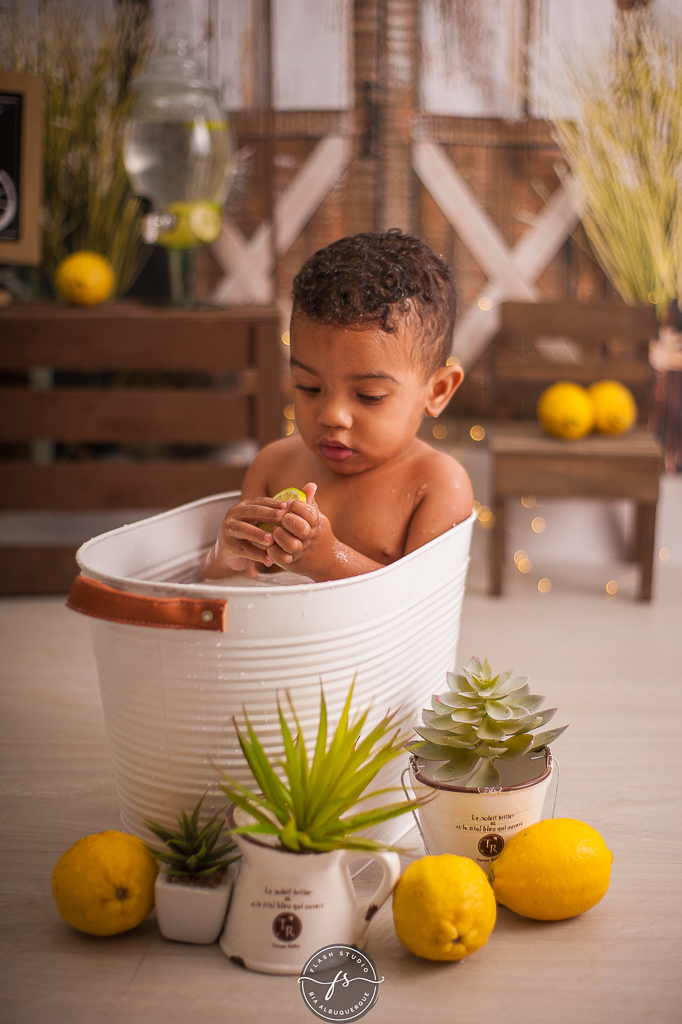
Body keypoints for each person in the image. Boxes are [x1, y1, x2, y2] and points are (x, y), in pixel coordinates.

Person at [199, 229, 473, 584]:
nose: (331, 415)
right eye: (309, 387)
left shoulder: (437, 484)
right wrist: (227, 554)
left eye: (369, 395)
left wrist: (328, 560)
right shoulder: (273, 465)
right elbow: (220, 585)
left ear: (437, 391)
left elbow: (421, 601)